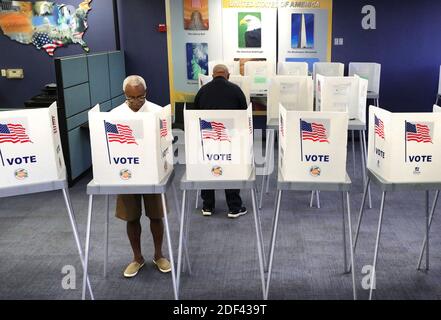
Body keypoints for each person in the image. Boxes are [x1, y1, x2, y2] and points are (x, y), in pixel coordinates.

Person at [112, 75, 171, 278]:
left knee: (156, 215)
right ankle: (137, 258)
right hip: (126, 174)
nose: (136, 102)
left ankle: (159, 255)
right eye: (131, 98)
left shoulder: (157, 111)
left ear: (146, 93)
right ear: (124, 95)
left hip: (152, 173)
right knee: (132, 217)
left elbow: (167, 140)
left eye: (140, 97)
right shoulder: (115, 114)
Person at [193, 64, 248, 218]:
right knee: (230, 168)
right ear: (228, 75)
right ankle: (234, 208)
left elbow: (194, 115)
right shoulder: (236, 90)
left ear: (212, 75)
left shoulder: (202, 91)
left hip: (207, 138)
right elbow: (244, 115)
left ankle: (208, 206)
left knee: (208, 167)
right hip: (229, 138)